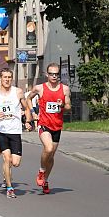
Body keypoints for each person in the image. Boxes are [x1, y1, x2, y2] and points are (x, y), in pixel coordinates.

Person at [0, 68, 33, 198]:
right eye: (4, 77)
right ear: (0, 79)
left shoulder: (18, 92)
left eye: (9, 77)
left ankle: (5, 175)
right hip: (1, 129)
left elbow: (26, 108)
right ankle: (10, 187)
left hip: (15, 130)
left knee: (15, 162)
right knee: (6, 157)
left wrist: (28, 120)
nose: (7, 80)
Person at [26, 62, 71, 194]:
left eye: (56, 74)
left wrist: (62, 105)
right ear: (47, 74)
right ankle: (41, 171)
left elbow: (69, 107)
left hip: (57, 126)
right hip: (43, 123)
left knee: (51, 157)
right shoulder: (40, 88)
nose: (54, 77)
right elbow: (29, 98)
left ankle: (45, 180)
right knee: (48, 147)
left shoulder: (65, 89)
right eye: (51, 74)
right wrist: (33, 113)